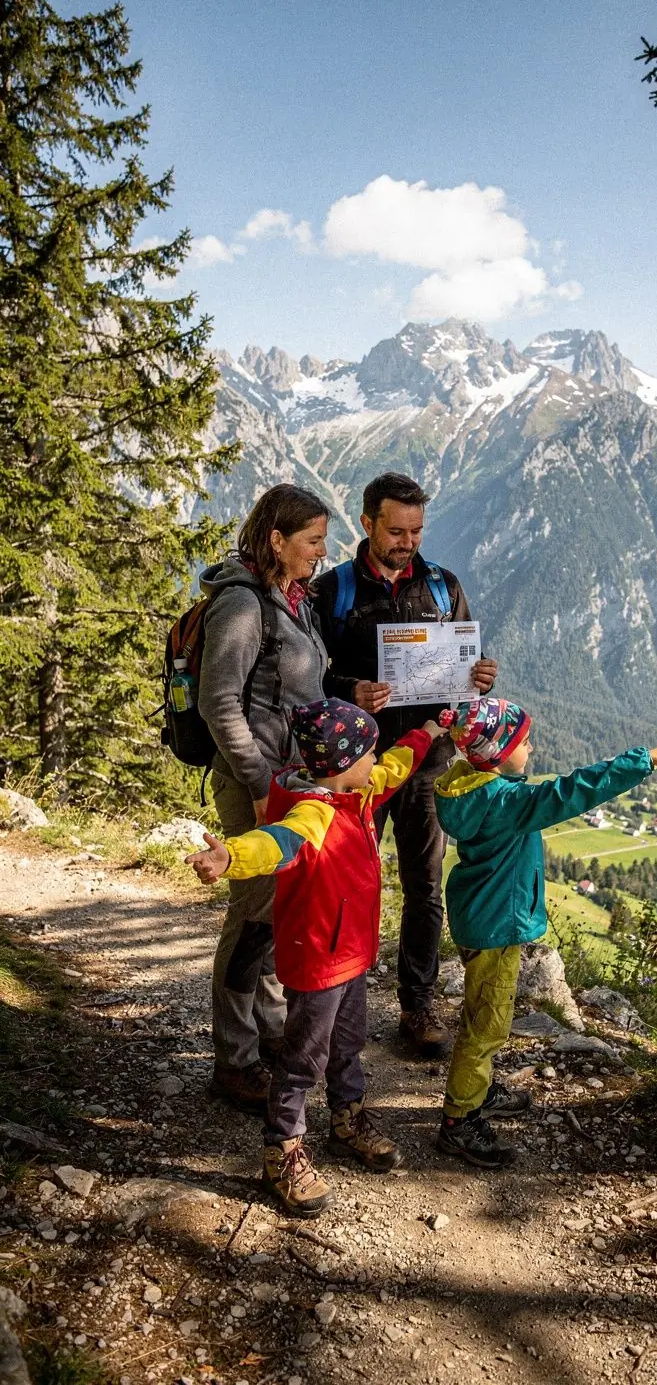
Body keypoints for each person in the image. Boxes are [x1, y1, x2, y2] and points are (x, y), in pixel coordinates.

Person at [186, 697, 445, 1217]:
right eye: (368, 753)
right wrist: (230, 857)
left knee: (348, 1044)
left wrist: (426, 734)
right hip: (319, 962)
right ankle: (281, 1149)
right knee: (304, 1057)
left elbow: (393, 766)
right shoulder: (312, 813)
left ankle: (347, 1120)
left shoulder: (355, 792)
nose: (376, 761)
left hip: (349, 955)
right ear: (344, 763)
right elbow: (274, 843)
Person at [433, 696, 657, 1168]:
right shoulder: (507, 802)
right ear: (497, 754)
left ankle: (477, 1091)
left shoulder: (468, 786)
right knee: (486, 1025)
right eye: (525, 741)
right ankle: (460, 1120)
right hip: (496, 926)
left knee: (483, 1010)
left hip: (479, 916)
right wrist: (644, 760)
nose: (532, 747)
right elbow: (573, 791)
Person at [314, 472, 498, 1056]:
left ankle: (417, 1005)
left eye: (416, 531)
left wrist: (481, 676)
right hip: (358, 766)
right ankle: (336, 1000)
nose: (408, 542)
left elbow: (466, 666)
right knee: (346, 886)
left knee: (424, 887)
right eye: (396, 531)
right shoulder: (332, 591)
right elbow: (308, 678)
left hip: (427, 763)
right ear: (367, 523)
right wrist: (350, 689)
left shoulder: (443, 587)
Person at [197, 484, 331, 1113]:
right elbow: (218, 702)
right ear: (276, 540)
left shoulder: (291, 600)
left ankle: (270, 1030)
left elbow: (294, 689)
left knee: (276, 915)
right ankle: (235, 1059)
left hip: (288, 780)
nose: (321, 552)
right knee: (252, 916)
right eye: (312, 541)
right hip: (255, 782)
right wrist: (258, 785)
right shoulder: (243, 604)